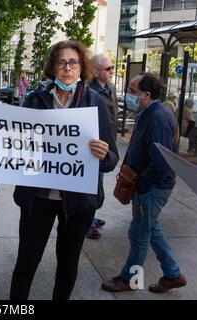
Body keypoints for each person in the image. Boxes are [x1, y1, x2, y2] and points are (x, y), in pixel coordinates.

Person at [9, 40, 119, 300]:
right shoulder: (35, 98)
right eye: (61, 62)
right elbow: (13, 138)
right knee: (27, 260)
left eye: (73, 62)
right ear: (53, 67)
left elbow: (112, 157)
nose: (67, 67)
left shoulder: (95, 102)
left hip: (77, 202)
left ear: (82, 67)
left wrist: (103, 155)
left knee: (68, 264)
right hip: (38, 198)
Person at [102, 73, 187, 294]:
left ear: (147, 95)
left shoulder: (158, 117)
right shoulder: (148, 112)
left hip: (152, 188)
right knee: (151, 227)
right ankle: (173, 274)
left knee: (139, 234)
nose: (128, 96)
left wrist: (142, 185)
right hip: (149, 187)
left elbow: (161, 161)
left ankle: (129, 279)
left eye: (132, 91)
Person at [86, 54, 119, 240]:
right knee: (93, 187)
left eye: (111, 68)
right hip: (95, 147)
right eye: (108, 69)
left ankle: (91, 216)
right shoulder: (89, 92)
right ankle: (87, 222)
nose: (111, 72)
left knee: (98, 186)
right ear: (96, 71)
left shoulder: (110, 88)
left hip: (107, 144)